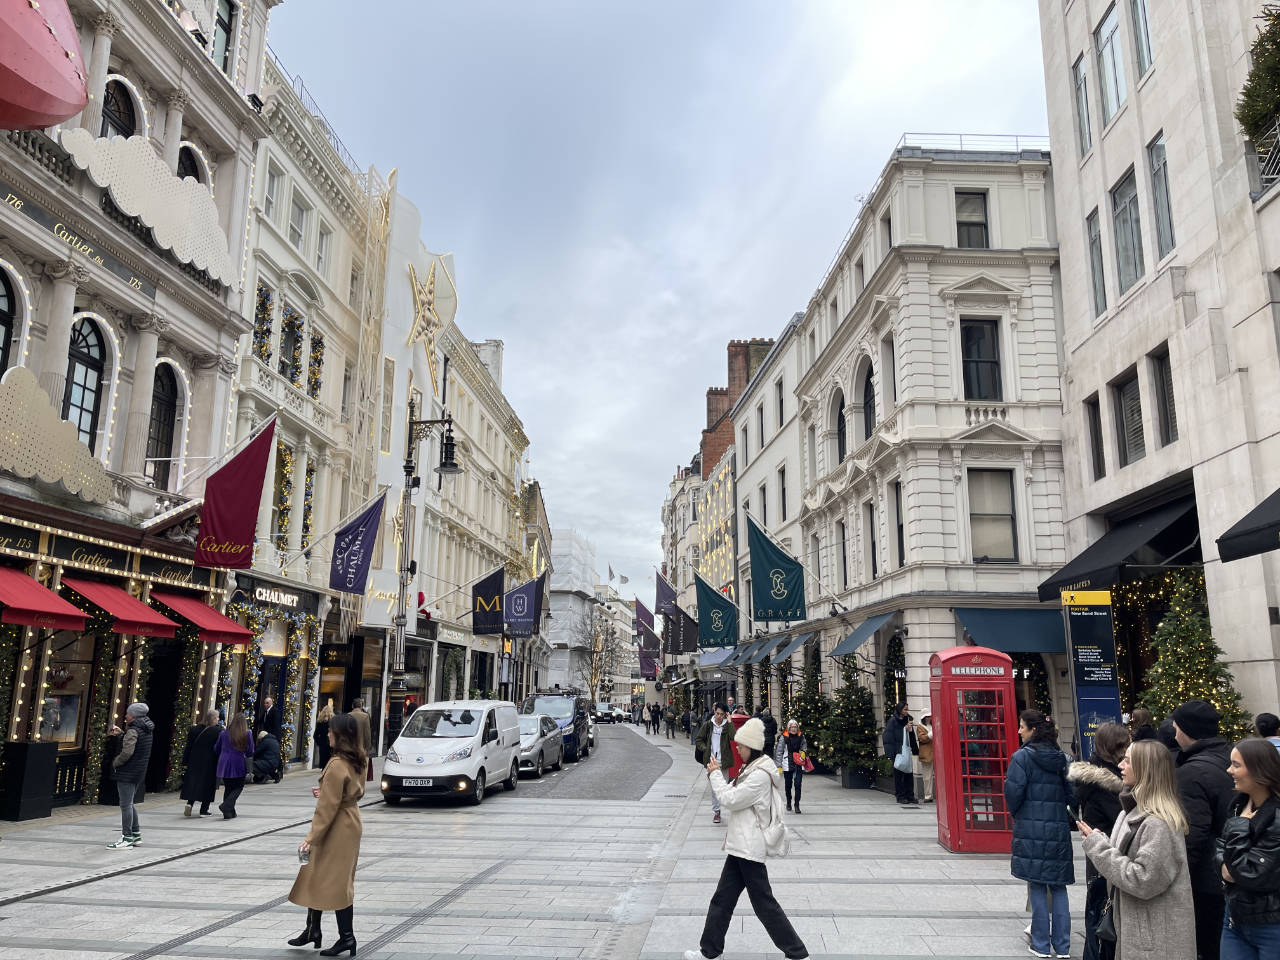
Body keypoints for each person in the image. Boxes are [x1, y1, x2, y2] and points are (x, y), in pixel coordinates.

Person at [683, 717, 809, 960]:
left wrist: (714, 775)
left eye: (741, 745)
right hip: (740, 845)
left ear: (752, 746)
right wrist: (720, 777)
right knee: (722, 900)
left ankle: (798, 953)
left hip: (749, 847)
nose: (737, 749)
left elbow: (731, 799)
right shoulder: (750, 768)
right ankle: (709, 951)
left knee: (764, 905)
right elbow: (732, 792)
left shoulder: (759, 775)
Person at [1078, 739, 1195, 960]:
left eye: (1128, 761)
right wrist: (1099, 840)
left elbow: (1143, 880)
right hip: (1136, 931)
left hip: (1155, 940)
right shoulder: (1129, 812)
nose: (1120, 765)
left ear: (1145, 769)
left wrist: (1098, 848)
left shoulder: (1159, 823)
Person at [287, 712, 367, 957]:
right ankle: (313, 929)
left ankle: (346, 937)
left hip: (336, 827)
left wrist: (310, 838)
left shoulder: (336, 764)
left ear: (340, 736)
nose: (327, 733)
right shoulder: (358, 759)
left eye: (331, 730)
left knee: (333, 880)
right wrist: (324, 791)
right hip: (349, 821)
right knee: (322, 875)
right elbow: (345, 794)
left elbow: (327, 808)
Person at [1004, 709, 1074, 960]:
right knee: (1058, 886)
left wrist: (1020, 813)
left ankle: (1042, 945)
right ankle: (1063, 947)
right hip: (1057, 829)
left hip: (1031, 828)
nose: (1019, 731)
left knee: (1037, 885)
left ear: (1033, 730)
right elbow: (1073, 796)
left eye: (1022, 726)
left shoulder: (1021, 758)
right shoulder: (1064, 758)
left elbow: (1013, 794)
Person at [1171, 699, 1235, 960]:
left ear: (1186, 730)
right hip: (1232, 872)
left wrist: (1175, 880)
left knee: (1207, 947)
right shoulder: (1231, 759)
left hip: (1206, 882)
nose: (1174, 734)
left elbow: (1191, 835)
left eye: (1176, 728)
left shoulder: (1192, 772)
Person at [1068, 722, 1131, 960]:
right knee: (1104, 909)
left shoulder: (1092, 772)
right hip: (1108, 846)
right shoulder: (1111, 781)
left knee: (1098, 905)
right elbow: (1120, 818)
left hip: (1096, 847)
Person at [1217, 737, 1280, 959]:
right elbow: (1219, 847)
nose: (1228, 770)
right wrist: (1226, 865)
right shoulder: (1238, 804)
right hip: (1235, 918)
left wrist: (1238, 828)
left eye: (1236, 765)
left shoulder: (1276, 816)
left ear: (1259, 770)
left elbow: (1251, 873)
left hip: (1272, 924)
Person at [106, 702, 154, 849]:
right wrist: (122, 733)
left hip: (128, 771)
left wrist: (115, 762)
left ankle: (126, 837)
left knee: (125, 805)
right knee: (130, 803)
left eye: (127, 713)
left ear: (133, 715)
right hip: (139, 771)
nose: (125, 716)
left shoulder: (133, 730)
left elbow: (127, 752)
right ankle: (136, 834)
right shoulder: (146, 728)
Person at [696, 703, 733, 824]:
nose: (719, 716)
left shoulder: (727, 726)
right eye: (717, 713)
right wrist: (705, 747)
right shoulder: (707, 725)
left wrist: (730, 721)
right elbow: (699, 739)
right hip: (711, 762)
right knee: (714, 788)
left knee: (724, 787)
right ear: (714, 712)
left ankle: (721, 807)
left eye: (722, 714)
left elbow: (734, 736)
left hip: (724, 761)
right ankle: (717, 812)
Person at [181, 709, 221, 818]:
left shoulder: (194, 729)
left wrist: (185, 761)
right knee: (208, 785)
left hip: (194, 760)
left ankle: (190, 803)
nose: (218, 719)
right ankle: (204, 810)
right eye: (217, 718)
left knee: (194, 782)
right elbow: (218, 748)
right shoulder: (217, 731)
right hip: (210, 762)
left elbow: (188, 746)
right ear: (213, 719)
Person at [215, 712, 254, 819]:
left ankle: (229, 813)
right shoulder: (247, 733)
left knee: (228, 787)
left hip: (224, 762)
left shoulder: (224, 733)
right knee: (238, 786)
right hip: (238, 762)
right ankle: (226, 806)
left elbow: (216, 748)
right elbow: (250, 751)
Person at [882, 702, 918, 804]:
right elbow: (888, 736)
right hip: (897, 752)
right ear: (899, 710)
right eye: (905, 710)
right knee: (899, 775)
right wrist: (890, 753)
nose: (906, 711)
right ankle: (900, 796)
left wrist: (915, 748)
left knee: (908, 773)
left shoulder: (908, 719)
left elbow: (911, 736)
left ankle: (910, 795)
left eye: (907, 709)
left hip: (907, 750)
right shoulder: (893, 721)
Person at [775, 719, 806, 814]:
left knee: (798, 785)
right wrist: (779, 765)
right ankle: (789, 802)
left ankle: (797, 805)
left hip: (798, 763)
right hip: (787, 763)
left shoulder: (801, 736)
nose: (793, 728)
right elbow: (779, 752)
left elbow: (804, 746)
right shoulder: (783, 737)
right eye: (792, 727)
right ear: (789, 728)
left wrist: (803, 752)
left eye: (795, 727)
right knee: (788, 785)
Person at [915, 715, 935, 803]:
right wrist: (930, 735)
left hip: (936, 753)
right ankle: (928, 795)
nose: (929, 718)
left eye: (930, 716)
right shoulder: (920, 727)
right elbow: (922, 738)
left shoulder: (933, 725)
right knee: (927, 776)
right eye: (927, 716)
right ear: (923, 717)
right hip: (926, 754)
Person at [314, 701, 334, 769]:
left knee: (324, 763)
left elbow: (315, 735)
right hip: (331, 744)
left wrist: (319, 743)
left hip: (323, 744)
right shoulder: (333, 722)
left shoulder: (320, 722)